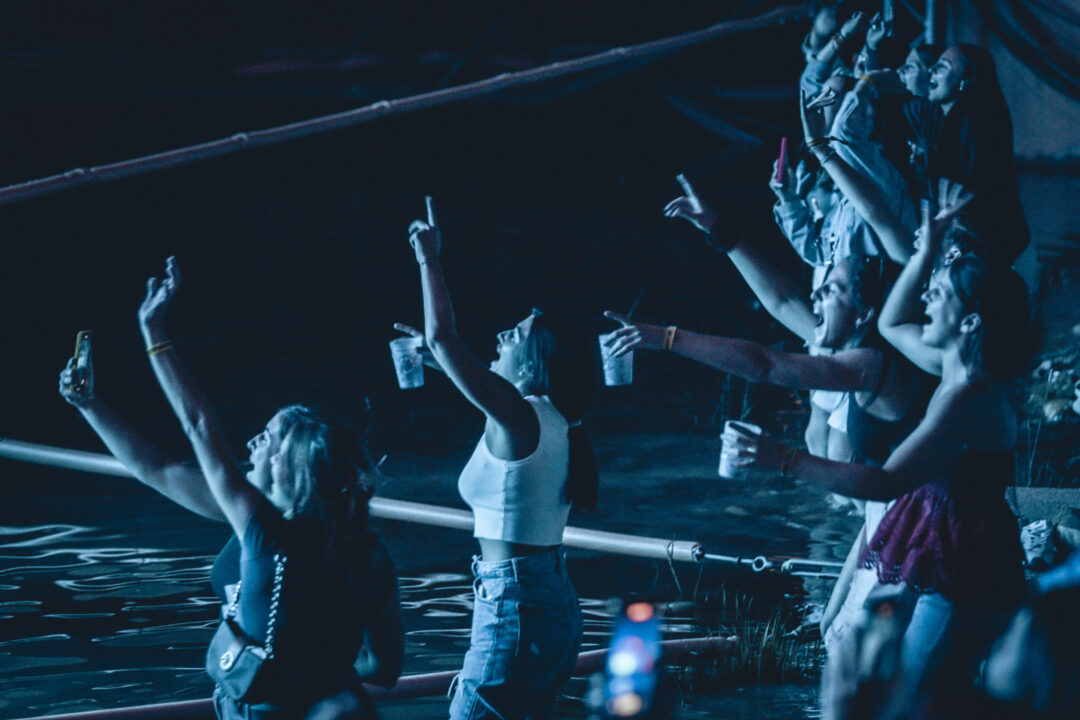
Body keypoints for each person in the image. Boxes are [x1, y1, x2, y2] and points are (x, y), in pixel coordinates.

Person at [725, 197, 1035, 717]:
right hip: (935, 535)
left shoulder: (970, 395)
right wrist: (924, 255)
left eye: (940, 295)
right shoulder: (948, 362)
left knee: (913, 693)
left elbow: (886, 482)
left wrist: (783, 459)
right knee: (877, 673)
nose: (928, 300)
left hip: (966, 555)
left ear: (972, 322)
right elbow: (891, 323)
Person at [61, 256, 404, 720]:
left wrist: (153, 331)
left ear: (294, 472)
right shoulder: (364, 549)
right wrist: (89, 405)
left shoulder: (262, 529)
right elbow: (157, 469)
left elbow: (198, 424)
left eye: (271, 439)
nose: (254, 442)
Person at [401, 197, 597, 719]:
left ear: (535, 366)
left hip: (515, 607)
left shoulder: (522, 417)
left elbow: (445, 338)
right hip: (548, 600)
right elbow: (458, 364)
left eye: (516, 336)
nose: (502, 336)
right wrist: (442, 363)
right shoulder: (553, 420)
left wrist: (429, 259)